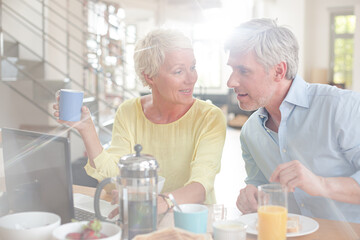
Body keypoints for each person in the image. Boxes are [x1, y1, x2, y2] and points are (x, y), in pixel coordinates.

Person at [53, 29, 226, 214]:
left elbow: (200, 186)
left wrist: (156, 202)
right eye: (179, 71)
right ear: (149, 77)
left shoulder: (210, 117)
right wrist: (87, 130)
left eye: (192, 67)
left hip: (191, 219)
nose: (191, 79)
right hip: (141, 215)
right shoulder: (129, 112)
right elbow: (114, 181)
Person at [225, 18, 360, 223]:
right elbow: (259, 184)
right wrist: (251, 196)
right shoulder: (250, 132)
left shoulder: (340, 107)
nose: (231, 81)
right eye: (232, 69)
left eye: (243, 71)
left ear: (279, 71)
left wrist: (321, 184)